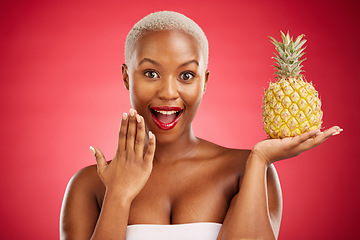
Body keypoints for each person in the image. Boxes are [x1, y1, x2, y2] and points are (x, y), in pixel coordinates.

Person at [59, 11, 342, 240]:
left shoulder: (247, 172)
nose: (169, 92)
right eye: (151, 73)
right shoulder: (89, 185)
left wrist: (259, 160)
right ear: (125, 77)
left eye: (186, 75)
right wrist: (118, 195)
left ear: (204, 81)